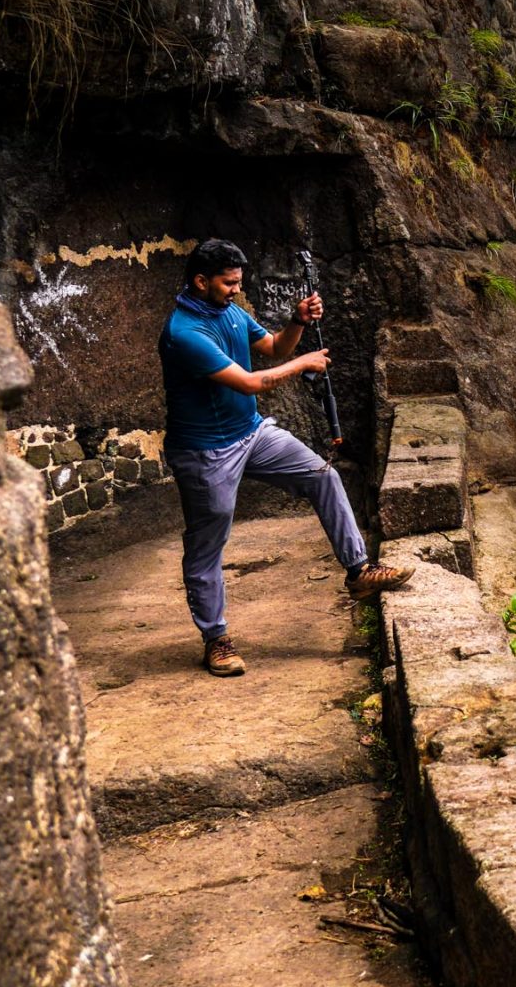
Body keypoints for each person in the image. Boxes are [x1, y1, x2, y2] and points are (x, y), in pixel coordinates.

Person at [159, 238, 410, 676]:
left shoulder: (231, 312)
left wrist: (296, 321)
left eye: (238, 282)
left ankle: (359, 571)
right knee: (208, 543)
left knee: (321, 475)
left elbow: (275, 348)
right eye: (228, 283)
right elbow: (253, 383)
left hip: (250, 433)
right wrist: (305, 363)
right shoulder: (185, 333)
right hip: (205, 452)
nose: (236, 290)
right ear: (201, 282)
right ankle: (215, 639)